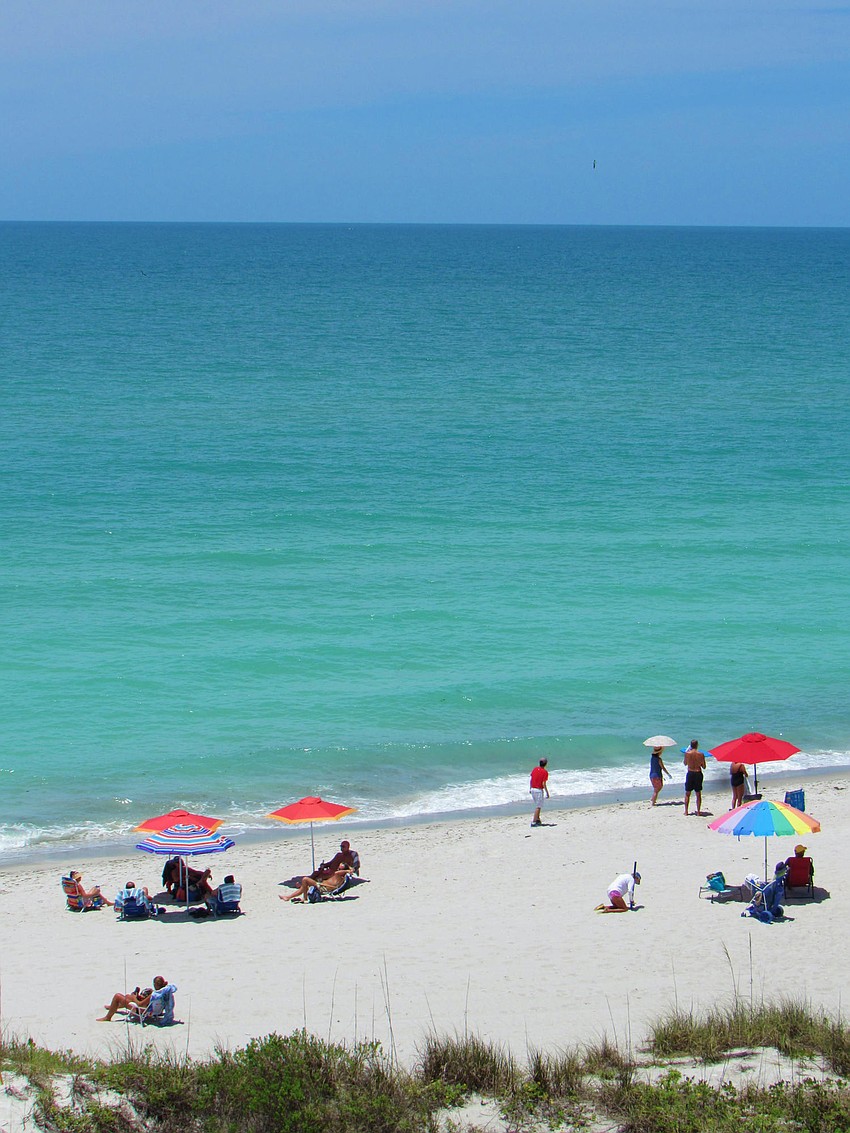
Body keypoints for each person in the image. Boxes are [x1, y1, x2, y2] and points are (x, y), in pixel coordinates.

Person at [280, 864, 354, 903]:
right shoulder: (339, 877)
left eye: (340, 868)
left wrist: (347, 871)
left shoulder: (339, 876)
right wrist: (349, 870)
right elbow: (351, 869)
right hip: (321, 885)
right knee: (303, 886)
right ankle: (289, 897)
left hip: (323, 887)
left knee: (305, 879)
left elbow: (336, 872)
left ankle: (304, 898)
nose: (338, 869)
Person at [683, 740, 707, 816]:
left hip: (690, 773)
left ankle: (686, 811)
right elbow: (704, 766)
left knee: (687, 793)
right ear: (697, 745)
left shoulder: (687, 753)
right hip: (698, 773)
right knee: (698, 793)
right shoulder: (701, 754)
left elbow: (685, 763)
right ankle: (698, 811)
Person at [529, 758, 549, 827]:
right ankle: (534, 822)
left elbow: (531, 780)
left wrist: (530, 788)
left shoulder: (535, 769)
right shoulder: (545, 772)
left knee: (538, 805)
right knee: (538, 806)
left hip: (532, 789)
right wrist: (547, 792)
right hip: (538, 790)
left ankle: (537, 819)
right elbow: (544, 784)